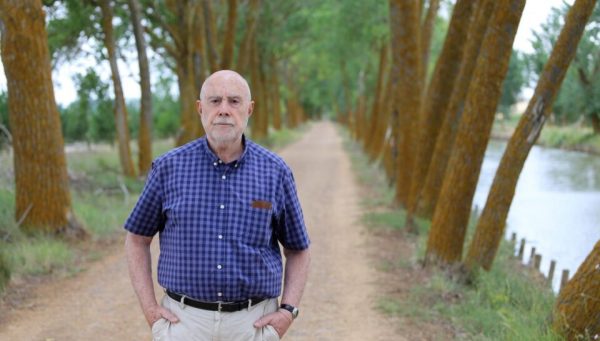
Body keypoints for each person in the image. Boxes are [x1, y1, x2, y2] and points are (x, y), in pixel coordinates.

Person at [124, 70, 311, 341]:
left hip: (253, 325)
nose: (224, 110)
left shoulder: (276, 172)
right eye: (215, 101)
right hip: (184, 323)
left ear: (249, 109)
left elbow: (298, 249)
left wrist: (287, 312)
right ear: (200, 109)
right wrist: (151, 311)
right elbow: (136, 239)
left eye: (234, 101)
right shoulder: (168, 168)